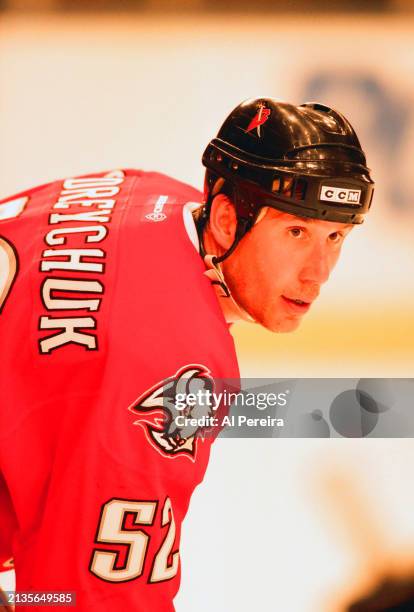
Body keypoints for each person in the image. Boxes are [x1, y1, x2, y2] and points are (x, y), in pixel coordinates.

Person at [0, 98, 374, 611]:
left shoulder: (148, 192)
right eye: (296, 232)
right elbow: (93, 597)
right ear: (225, 219)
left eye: (336, 236)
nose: (319, 271)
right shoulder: (168, 366)